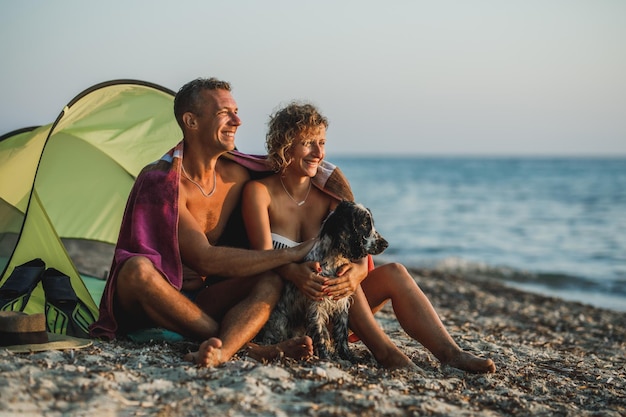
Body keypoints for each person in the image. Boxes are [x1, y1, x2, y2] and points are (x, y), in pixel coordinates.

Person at [241, 101, 496, 373]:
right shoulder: (259, 192)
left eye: (322, 142)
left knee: (393, 272)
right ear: (285, 144)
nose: (318, 152)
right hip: (283, 310)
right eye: (308, 142)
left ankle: (452, 354)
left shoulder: (330, 198)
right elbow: (263, 259)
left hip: (331, 309)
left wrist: (356, 274)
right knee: (319, 278)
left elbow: (359, 250)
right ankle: (385, 352)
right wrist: (295, 273)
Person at [90, 78, 319, 367]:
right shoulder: (163, 182)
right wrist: (290, 253)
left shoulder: (238, 176)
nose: (237, 120)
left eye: (236, 111)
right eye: (225, 113)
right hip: (153, 299)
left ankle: (223, 349)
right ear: (191, 121)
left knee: (270, 277)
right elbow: (204, 259)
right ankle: (247, 348)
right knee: (135, 269)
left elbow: (298, 170)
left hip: (203, 299)